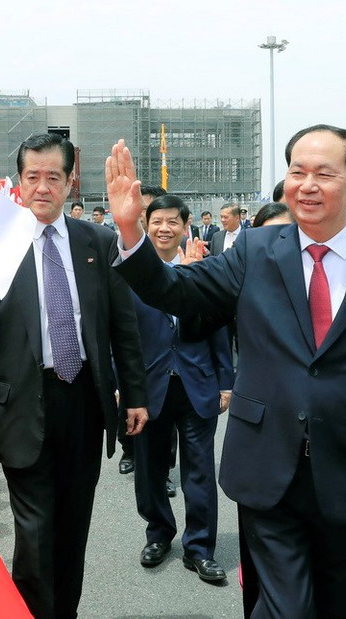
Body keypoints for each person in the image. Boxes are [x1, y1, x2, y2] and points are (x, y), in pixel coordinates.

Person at [107, 125, 346, 618]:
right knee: (286, 608)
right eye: (296, 172)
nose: (307, 185)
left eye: (324, 174)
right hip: (266, 467)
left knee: (344, 608)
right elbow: (174, 291)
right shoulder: (253, 252)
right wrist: (130, 234)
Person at [0, 133, 148, 618]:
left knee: (72, 530)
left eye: (53, 177)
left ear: (70, 181)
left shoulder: (96, 242)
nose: (42, 187)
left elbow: (122, 326)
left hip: (84, 406)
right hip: (22, 408)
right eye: (32, 177)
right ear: (19, 181)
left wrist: (135, 394)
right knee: (35, 536)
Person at [132, 194, 233, 584]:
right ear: (146, 224)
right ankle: (158, 534)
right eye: (157, 221)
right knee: (151, 469)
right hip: (149, 387)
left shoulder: (205, 271)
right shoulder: (131, 272)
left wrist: (226, 381)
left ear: (185, 226)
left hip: (197, 384)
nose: (164, 228)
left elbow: (219, 329)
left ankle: (200, 547)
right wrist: (125, 387)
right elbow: (118, 334)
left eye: (172, 221)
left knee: (200, 471)